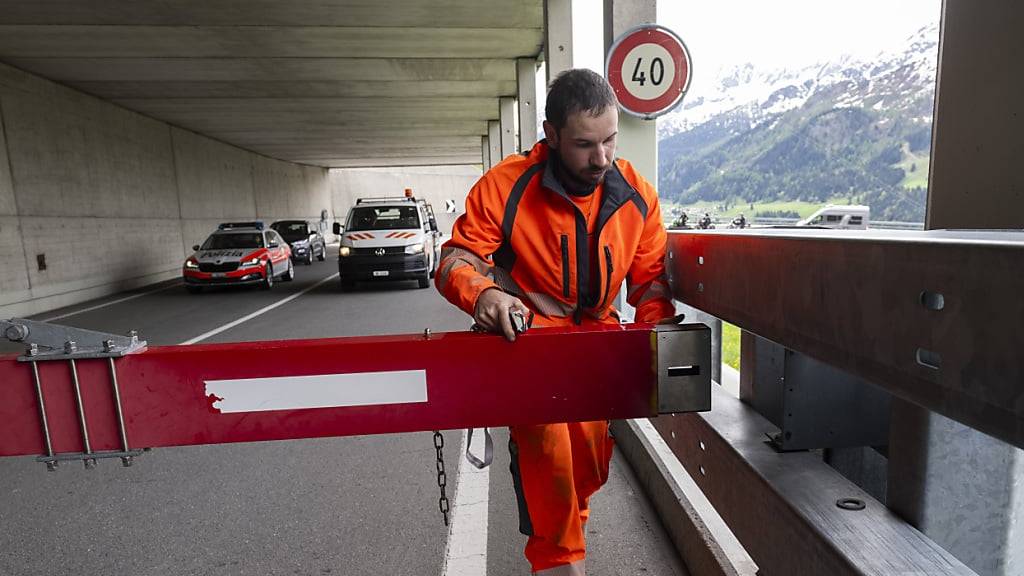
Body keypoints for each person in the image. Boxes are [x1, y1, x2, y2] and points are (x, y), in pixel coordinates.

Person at [435, 69, 674, 575]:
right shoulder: (507, 185)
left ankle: (565, 536)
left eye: (610, 139)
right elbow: (456, 258)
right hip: (531, 344)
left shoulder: (637, 195)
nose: (602, 159)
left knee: (586, 464)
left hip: (597, 348)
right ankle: (560, 559)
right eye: (585, 145)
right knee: (549, 456)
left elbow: (650, 282)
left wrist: (660, 346)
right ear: (550, 135)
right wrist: (486, 295)